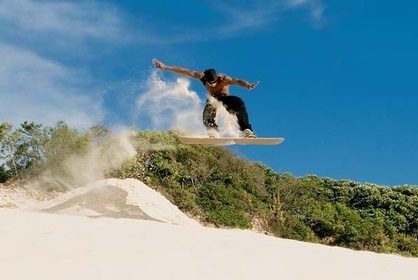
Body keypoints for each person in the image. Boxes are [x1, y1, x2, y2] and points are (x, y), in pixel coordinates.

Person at [152, 58, 259, 138]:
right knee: (209, 106)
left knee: (239, 102)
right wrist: (165, 67)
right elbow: (184, 71)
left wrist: (247, 85)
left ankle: (246, 130)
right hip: (214, 100)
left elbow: (237, 81)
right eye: (210, 83)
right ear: (206, 79)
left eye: (214, 82)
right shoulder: (201, 76)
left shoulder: (224, 79)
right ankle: (213, 131)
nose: (212, 85)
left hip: (226, 99)